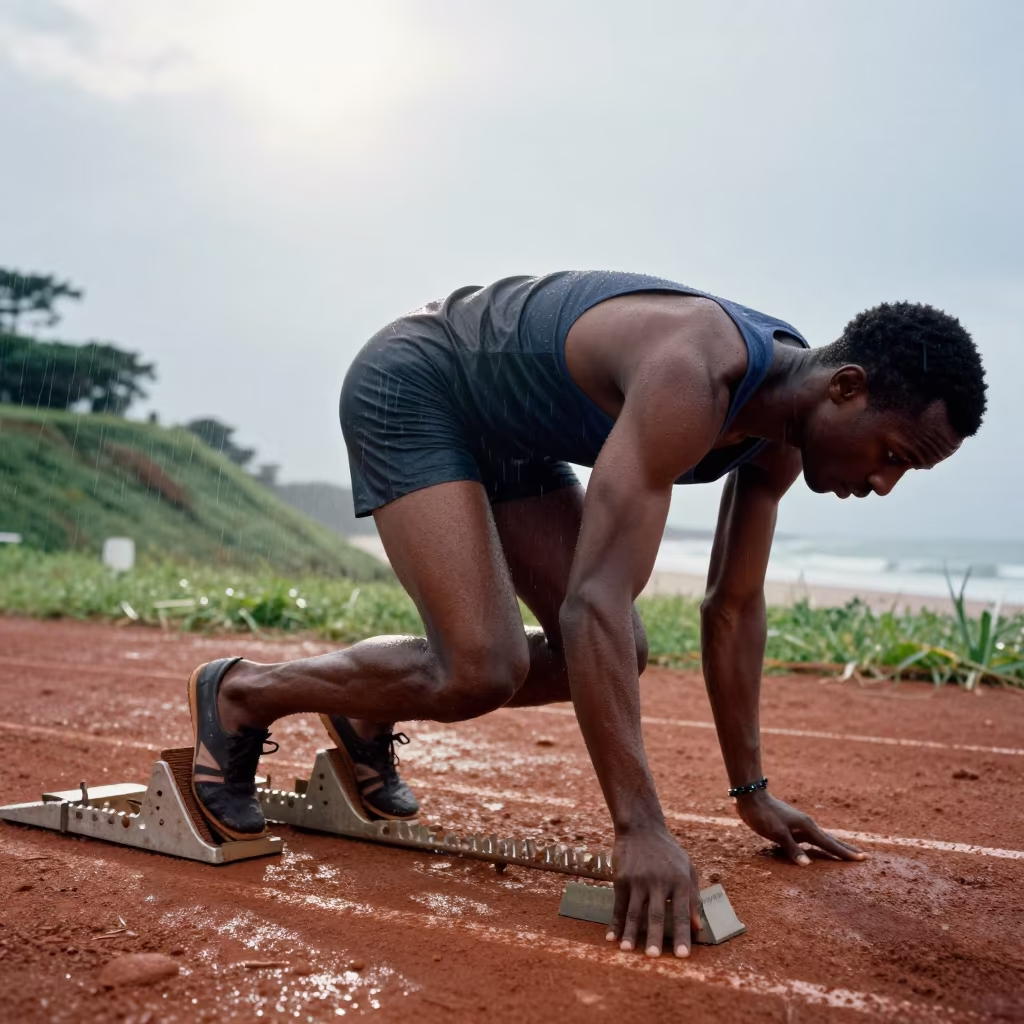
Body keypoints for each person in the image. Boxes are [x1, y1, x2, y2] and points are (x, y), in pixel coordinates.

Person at [186, 271, 987, 958]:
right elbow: (592, 599)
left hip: (510, 431)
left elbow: (733, 608)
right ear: (844, 386)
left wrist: (751, 790)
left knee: (616, 650)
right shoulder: (693, 375)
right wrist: (638, 827)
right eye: (892, 455)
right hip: (419, 381)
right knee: (481, 668)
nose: (884, 484)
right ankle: (243, 694)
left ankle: (369, 709)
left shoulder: (777, 436)